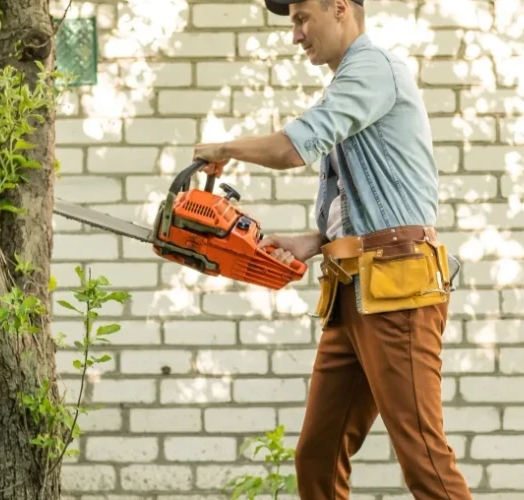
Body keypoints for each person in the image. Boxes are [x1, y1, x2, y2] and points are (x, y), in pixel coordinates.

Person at [192, 0, 471, 499]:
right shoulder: (352, 81)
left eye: (301, 18)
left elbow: (290, 149)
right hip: (352, 288)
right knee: (318, 454)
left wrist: (224, 148)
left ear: (340, 7)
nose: (295, 34)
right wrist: (316, 240)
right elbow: (375, 199)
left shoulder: (373, 69)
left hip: (397, 288)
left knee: (424, 457)